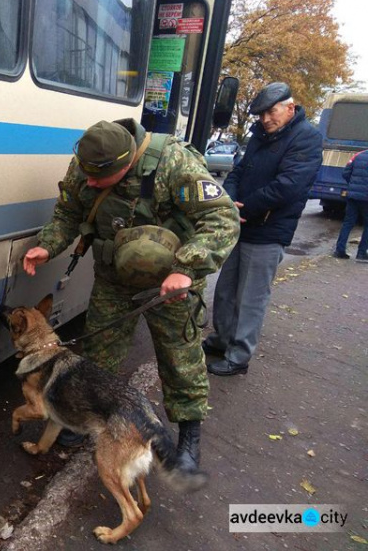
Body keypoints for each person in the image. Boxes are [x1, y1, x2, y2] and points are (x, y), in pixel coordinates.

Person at [23, 119, 239, 473]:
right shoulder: (87, 165)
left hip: (170, 284)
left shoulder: (173, 163)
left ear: (126, 165)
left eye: (98, 178)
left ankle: (188, 436)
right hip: (114, 279)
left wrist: (186, 268)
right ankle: (82, 420)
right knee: (98, 356)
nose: (89, 182)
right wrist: (47, 247)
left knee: (179, 358)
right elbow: (68, 214)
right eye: (86, 174)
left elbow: (222, 218)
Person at [204, 82, 323, 376]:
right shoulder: (259, 136)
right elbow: (238, 171)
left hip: (269, 230)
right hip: (241, 225)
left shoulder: (306, 138)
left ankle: (238, 356)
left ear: (289, 108)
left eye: (271, 112)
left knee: (251, 298)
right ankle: (221, 340)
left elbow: (289, 187)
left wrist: (245, 207)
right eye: (261, 115)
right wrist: (229, 200)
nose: (265, 119)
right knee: (226, 291)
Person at [333, 149, 368, 262]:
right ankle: (362, 253)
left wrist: (352, 185)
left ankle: (340, 250)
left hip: (352, 195)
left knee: (348, 223)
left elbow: (346, 173)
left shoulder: (358, 156)